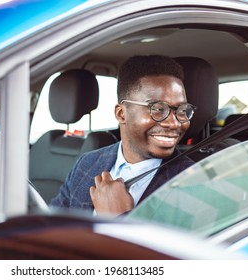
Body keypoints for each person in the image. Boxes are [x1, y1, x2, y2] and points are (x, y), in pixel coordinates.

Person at [50, 55, 195, 216]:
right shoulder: (87, 163)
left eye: (181, 110)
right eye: (158, 109)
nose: (174, 123)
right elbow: (51, 228)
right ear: (121, 114)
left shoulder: (194, 182)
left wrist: (118, 218)